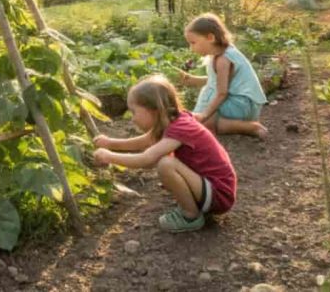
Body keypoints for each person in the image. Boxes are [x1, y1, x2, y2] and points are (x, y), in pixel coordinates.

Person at [92, 74, 237, 232]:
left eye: (134, 112)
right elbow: (146, 141)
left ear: (154, 110)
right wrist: (111, 143)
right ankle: (191, 204)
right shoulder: (176, 121)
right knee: (167, 162)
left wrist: (109, 156)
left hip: (218, 195)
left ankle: (190, 216)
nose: (132, 119)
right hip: (213, 188)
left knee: (166, 164)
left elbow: (146, 159)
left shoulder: (180, 129)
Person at [177, 13, 269, 139]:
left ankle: (250, 127)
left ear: (210, 38)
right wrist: (193, 80)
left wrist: (204, 115)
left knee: (205, 122)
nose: (191, 48)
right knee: (202, 114)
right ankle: (235, 123)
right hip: (241, 103)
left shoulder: (223, 59)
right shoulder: (222, 53)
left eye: (193, 43)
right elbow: (219, 82)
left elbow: (222, 93)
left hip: (241, 104)